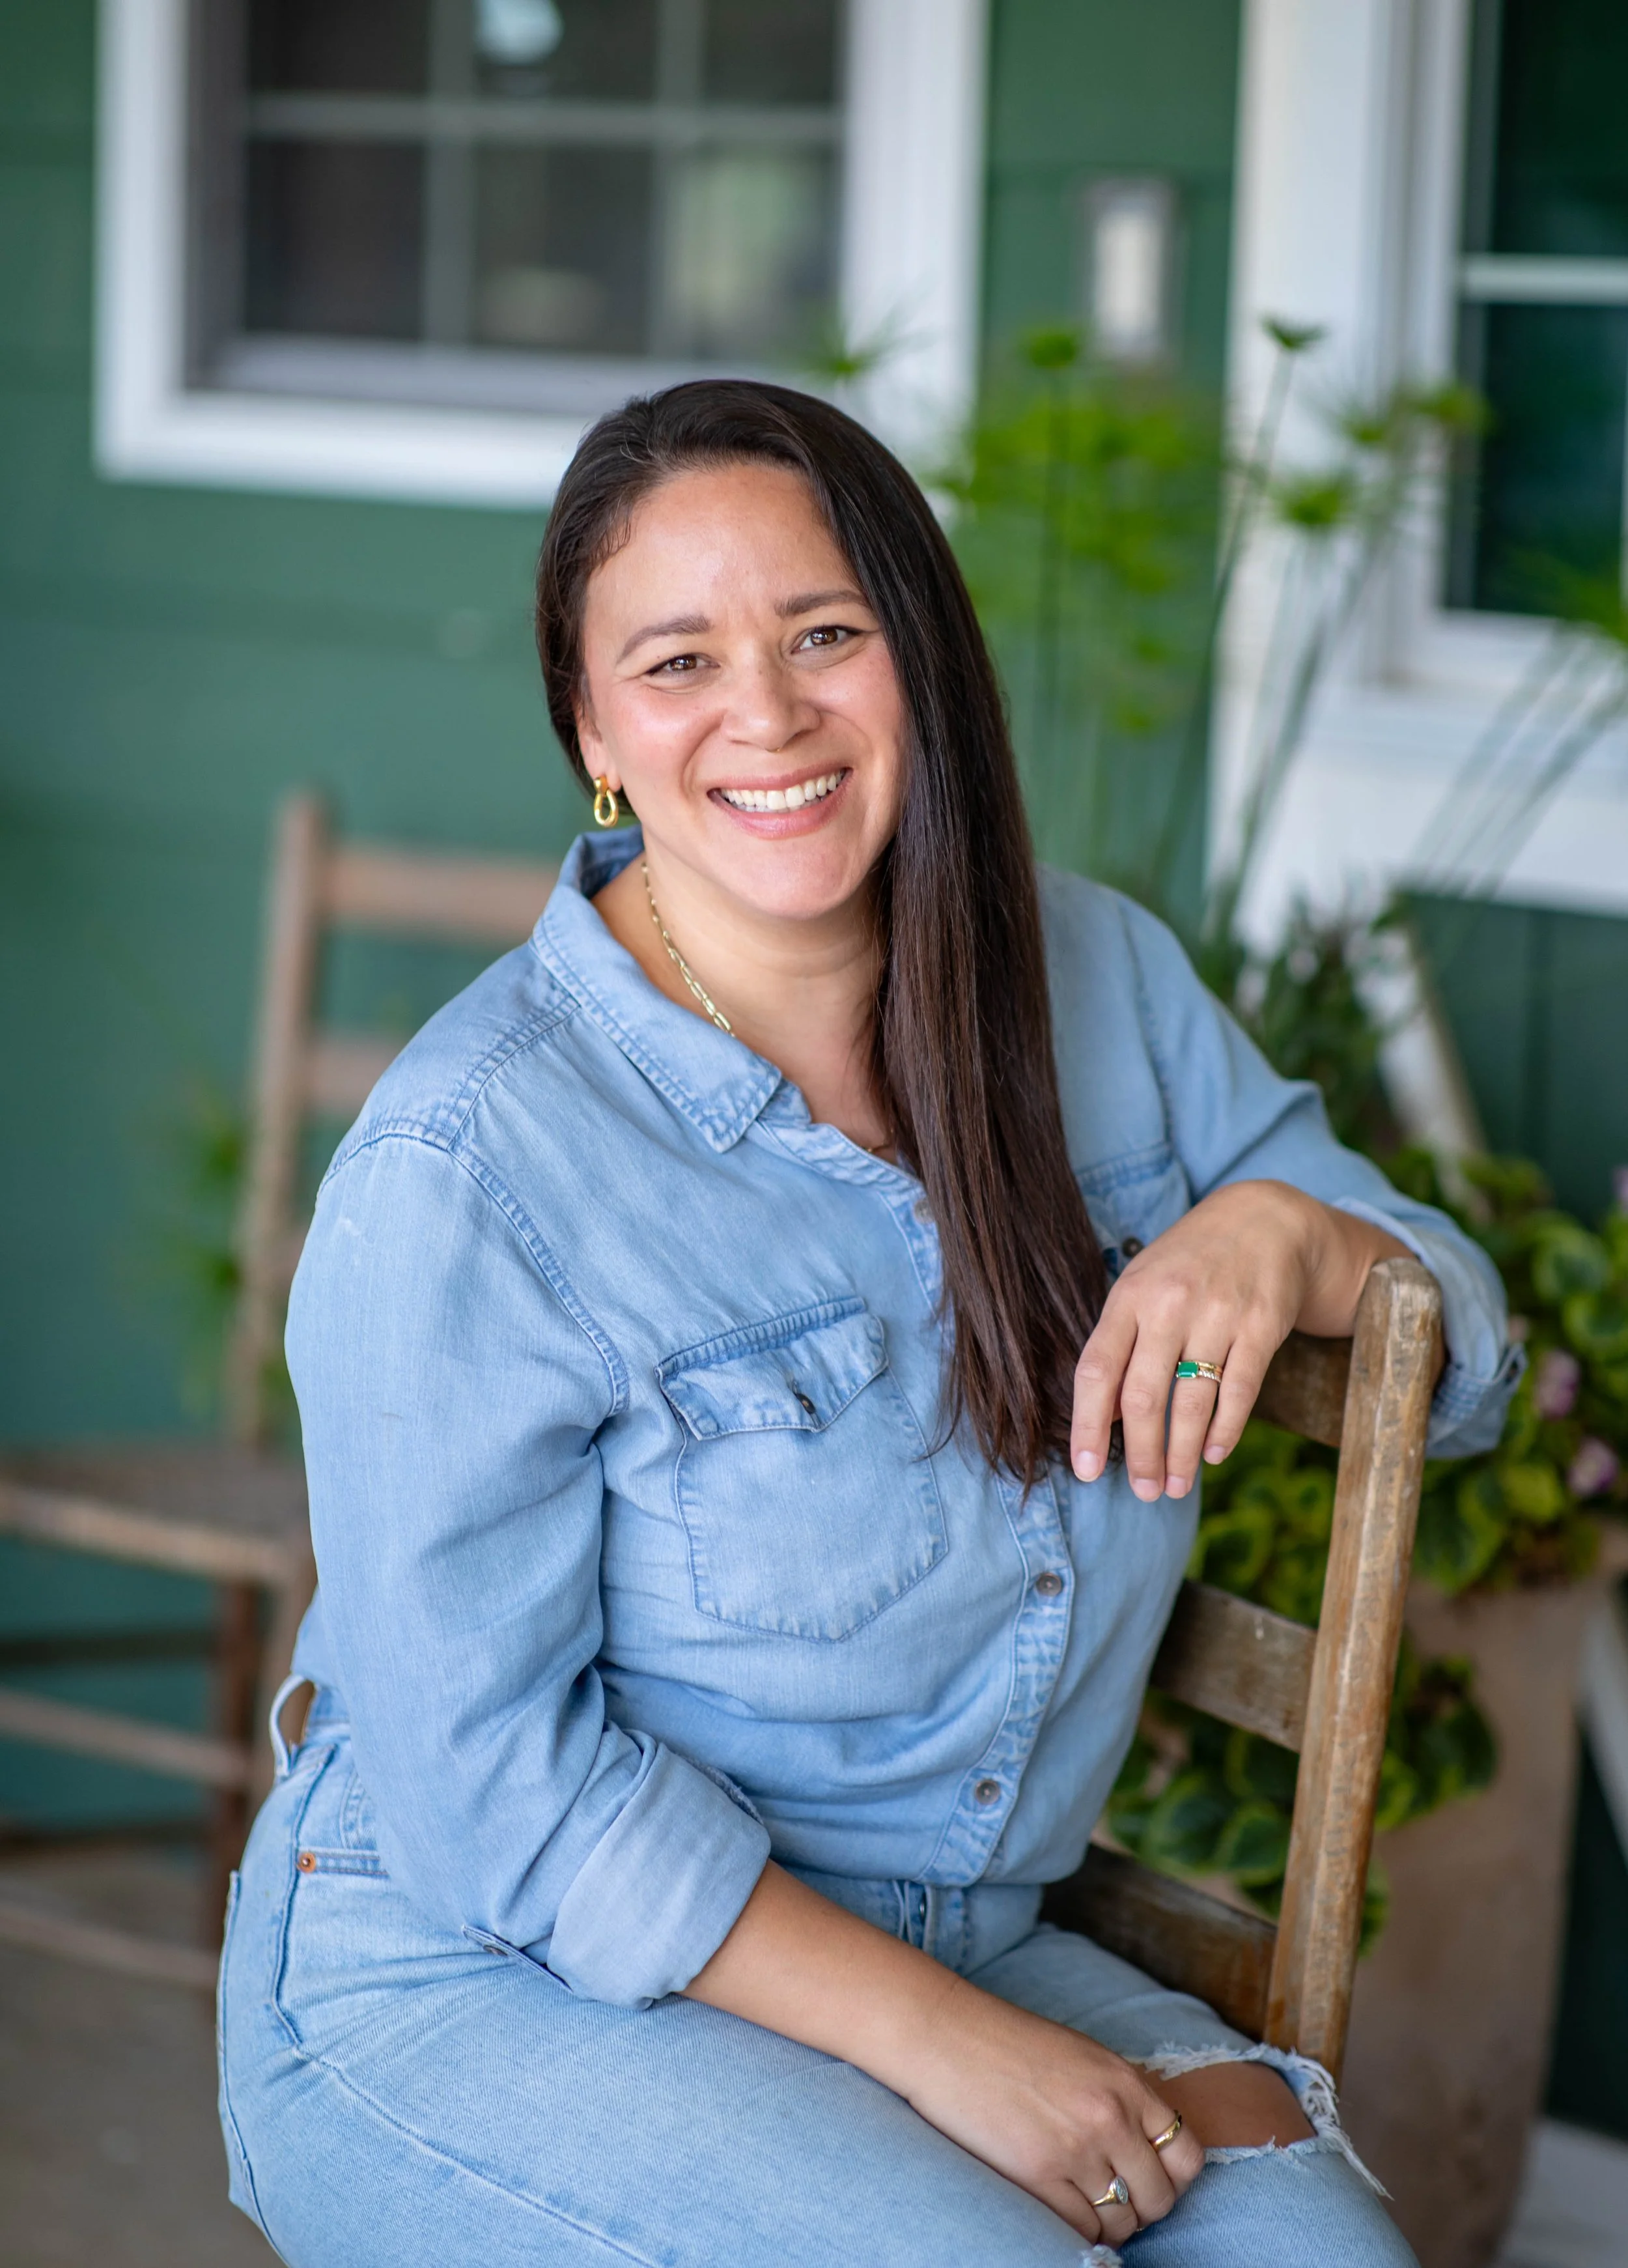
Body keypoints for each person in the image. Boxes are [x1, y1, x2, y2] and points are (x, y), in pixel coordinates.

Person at [218, 381, 1517, 2267]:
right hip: (481, 1972)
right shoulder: (469, 1163)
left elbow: (1455, 1354)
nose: (766, 714)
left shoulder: (1100, 987)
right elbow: (494, 1798)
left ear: (919, 653)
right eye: (677, 662)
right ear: (593, 733)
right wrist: (954, 2057)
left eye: (825, 633)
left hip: (975, 1935)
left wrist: (1288, 1237)